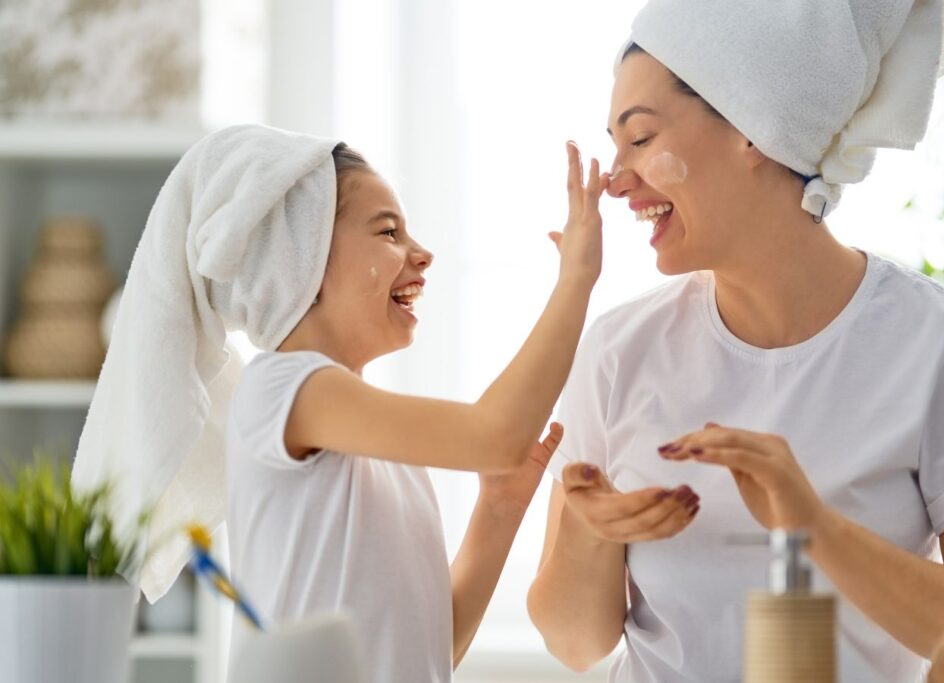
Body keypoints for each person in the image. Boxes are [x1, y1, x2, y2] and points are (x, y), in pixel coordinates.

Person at [527, 1, 944, 681]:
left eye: (639, 140)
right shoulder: (620, 348)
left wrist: (815, 528)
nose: (615, 180)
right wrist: (591, 529)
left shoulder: (941, 344)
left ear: (751, 128)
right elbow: (574, 642)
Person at [72, 124, 606, 683]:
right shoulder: (285, 389)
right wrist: (576, 279)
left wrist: (499, 506)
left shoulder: (370, 440)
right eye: (389, 232)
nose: (422, 254)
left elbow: (430, 649)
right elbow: (494, 434)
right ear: (301, 259)